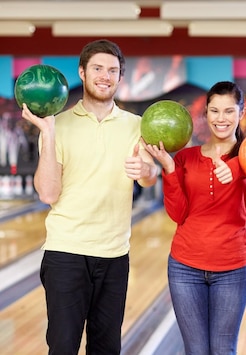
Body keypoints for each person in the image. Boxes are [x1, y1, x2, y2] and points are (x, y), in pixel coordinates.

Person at [20, 39, 158, 354]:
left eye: (112, 70)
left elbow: (150, 179)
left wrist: (147, 172)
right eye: (97, 68)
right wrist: (49, 133)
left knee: (107, 348)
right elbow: (48, 193)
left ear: (121, 77)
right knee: (63, 346)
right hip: (65, 252)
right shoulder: (58, 124)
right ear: (82, 72)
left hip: (114, 254)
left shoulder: (136, 126)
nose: (105, 76)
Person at [143, 81, 246, 354]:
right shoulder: (185, 158)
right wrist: (169, 169)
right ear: (206, 113)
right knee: (195, 350)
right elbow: (178, 213)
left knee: (222, 349)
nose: (221, 118)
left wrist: (236, 167)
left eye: (229, 111)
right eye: (214, 111)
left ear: (241, 113)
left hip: (232, 268)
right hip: (185, 267)